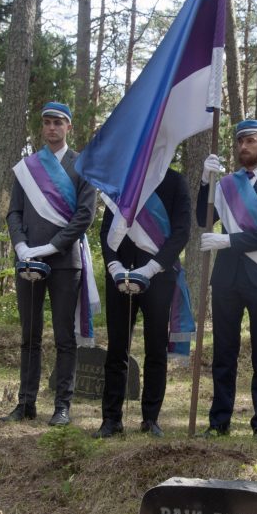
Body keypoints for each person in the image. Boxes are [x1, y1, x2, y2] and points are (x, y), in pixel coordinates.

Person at [198, 118, 257, 440]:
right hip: (226, 277)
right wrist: (205, 182)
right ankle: (219, 421)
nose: (244, 146)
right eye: (240, 141)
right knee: (224, 352)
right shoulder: (226, 185)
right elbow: (202, 218)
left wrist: (229, 240)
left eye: (250, 140)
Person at [5, 101, 98, 426]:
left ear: (69, 127)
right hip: (29, 261)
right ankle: (25, 403)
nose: (52, 128)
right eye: (47, 122)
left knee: (64, 336)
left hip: (65, 261)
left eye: (58, 122)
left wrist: (53, 245)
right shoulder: (28, 168)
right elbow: (14, 211)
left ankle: (62, 406)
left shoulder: (82, 166)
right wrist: (21, 246)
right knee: (29, 335)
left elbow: (85, 215)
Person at [94, 167, 192, 439]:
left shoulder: (175, 182)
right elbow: (107, 229)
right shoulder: (124, 179)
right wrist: (113, 266)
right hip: (120, 273)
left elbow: (181, 232)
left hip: (158, 274)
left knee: (156, 348)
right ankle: (111, 419)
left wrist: (151, 268)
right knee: (117, 348)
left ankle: (151, 418)